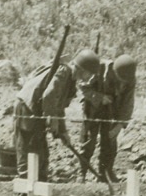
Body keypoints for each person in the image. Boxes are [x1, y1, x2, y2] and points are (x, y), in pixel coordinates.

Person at [13, 48, 101, 188]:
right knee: (29, 150)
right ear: (82, 70)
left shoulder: (70, 81)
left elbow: (58, 107)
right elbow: (49, 97)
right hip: (27, 109)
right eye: (89, 74)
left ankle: (40, 189)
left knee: (41, 153)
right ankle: (25, 191)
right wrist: (52, 120)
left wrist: (63, 131)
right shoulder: (64, 72)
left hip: (36, 111)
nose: (89, 78)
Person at [78, 54, 137, 183]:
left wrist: (119, 125)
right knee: (88, 140)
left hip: (111, 109)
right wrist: (99, 98)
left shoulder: (130, 78)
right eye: (119, 79)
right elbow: (83, 86)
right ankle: (81, 173)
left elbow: (128, 103)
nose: (122, 83)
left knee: (110, 142)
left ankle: (105, 173)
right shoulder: (98, 68)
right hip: (92, 107)